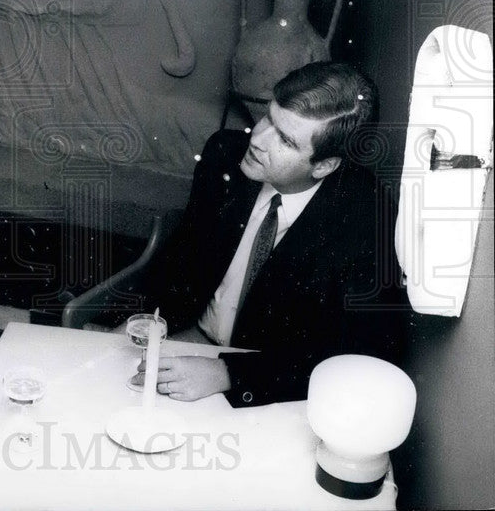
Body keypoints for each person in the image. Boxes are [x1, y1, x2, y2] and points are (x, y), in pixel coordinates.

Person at [140, 62, 407, 407]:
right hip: (189, 341)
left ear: (325, 165)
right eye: (269, 118)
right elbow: (182, 259)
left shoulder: (367, 218)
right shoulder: (224, 155)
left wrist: (231, 375)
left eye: (285, 139)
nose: (258, 138)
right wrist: (142, 325)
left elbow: (364, 359)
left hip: (267, 382)